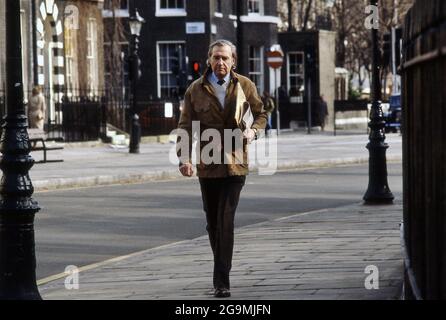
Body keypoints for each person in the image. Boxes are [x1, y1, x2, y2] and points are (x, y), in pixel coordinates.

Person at [176, 39, 267, 298]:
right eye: (216, 57)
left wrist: (253, 131)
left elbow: (261, 114)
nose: (220, 63)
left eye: (225, 58)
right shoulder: (195, 90)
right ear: (209, 60)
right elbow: (185, 127)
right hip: (208, 164)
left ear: (233, 61)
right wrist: (184, 158)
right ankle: (222, 266)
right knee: (212, 223)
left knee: (225, 220)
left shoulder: (245, 85)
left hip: (236, 163)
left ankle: (221, 281)